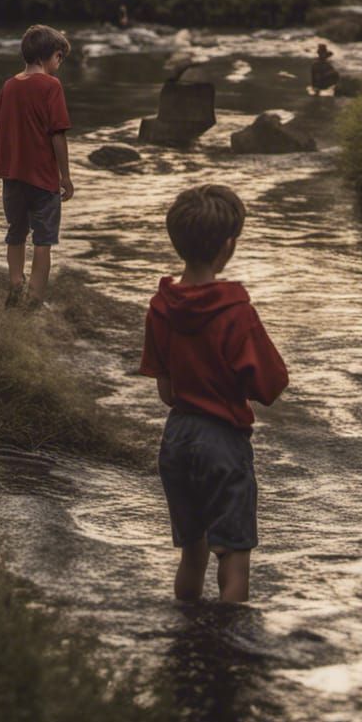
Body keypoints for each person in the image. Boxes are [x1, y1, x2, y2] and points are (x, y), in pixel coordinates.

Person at [140, 185, 288, 604]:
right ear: (228, 246)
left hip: (177, 439)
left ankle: (187, 638)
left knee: (193, 553)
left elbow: (166, 393)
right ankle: (226, 652)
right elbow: (271, 385)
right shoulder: (236, 312)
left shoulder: (160, 306)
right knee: (234, 560)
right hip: (223, 442)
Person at [0, 24, 73, 309]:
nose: (59, 64)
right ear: (52, 56)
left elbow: (2, 124)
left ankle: (15, 284)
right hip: (43, 177)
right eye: (59, 57)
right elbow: (57, 133)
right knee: (43, 239)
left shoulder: (9, 85)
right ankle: (35, 298)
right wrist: (66, 176)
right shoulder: (52, 86)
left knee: (16, 232)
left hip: (12, 175)